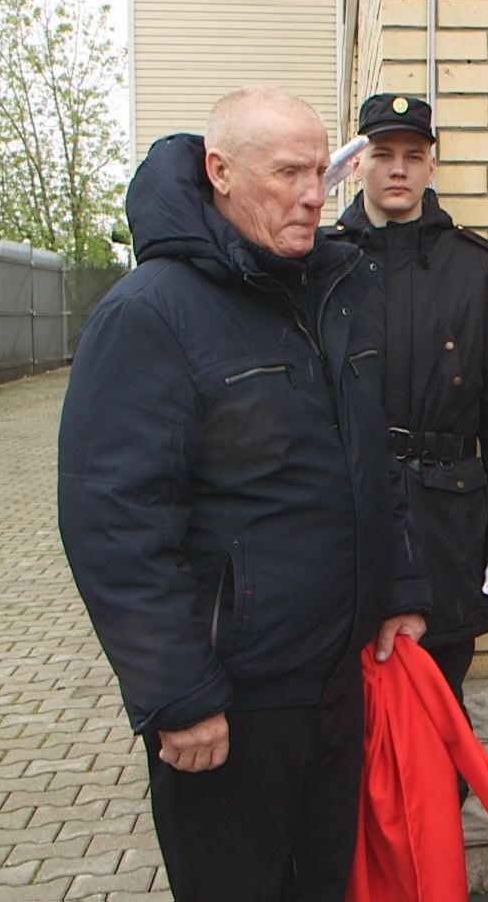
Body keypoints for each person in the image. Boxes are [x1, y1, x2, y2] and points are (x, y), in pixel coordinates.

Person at [58, 87, 430, 900]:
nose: (312, 195)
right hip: (231, 708)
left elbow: (370, 458)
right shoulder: (151, 314)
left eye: (321, 174)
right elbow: (116, 522)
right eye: (288, 173)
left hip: (334, 685)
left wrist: (397, 587)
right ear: (220, 172)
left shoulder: (323, 292)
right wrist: (177, 695)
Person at [328, 93, 488, 711]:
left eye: (413, 156)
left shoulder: (476, 270)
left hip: (446, 525)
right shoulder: (325, 263)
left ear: (431, 168)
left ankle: (437, 813)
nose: (398, 169)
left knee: (438, 710)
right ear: (357, 165)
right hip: (354, 515)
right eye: (383, 154)